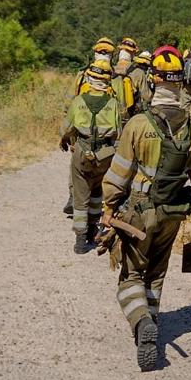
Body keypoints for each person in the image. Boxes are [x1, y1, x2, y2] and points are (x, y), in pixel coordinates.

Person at [101, 45, 191, 371]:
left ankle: (141, 322)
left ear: (154, 81)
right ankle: (152, 317)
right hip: (172, 216)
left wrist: (108, 208)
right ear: (179, 84)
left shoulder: (138, 124)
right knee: (156, 273)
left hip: (138, 215)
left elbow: (118, 174)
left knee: (131, 275)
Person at [61, 59, 123, 254]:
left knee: (81, 197)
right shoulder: (113, 104)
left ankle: (80, 240)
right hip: (105, 156)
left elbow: (67, 128)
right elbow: (118, 133)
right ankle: (92, 231)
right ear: (107, 81)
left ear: (89, 78)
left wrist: (65, 140)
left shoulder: (78, 102)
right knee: (98, 194)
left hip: (81, 152)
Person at [64, 37, 117, 216]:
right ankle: (94, 211)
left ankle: (75, 199)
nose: (103, 55)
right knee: (99, 174)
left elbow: (71, 101)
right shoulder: (114, 77)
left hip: (80, 130)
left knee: (77, 166)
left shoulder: (82, 75)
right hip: (105, 137)